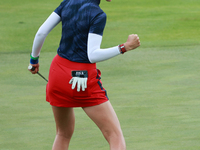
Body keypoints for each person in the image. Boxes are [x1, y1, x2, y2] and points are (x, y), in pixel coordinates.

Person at [28, 0, 140, 149]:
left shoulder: (67, 2)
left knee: (62, 134)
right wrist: (124, 47)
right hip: (82, 77)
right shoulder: (97, 14)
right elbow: (92, 55)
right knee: (114, 135)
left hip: (58, 73)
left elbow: (42, 32)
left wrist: (34, 59)